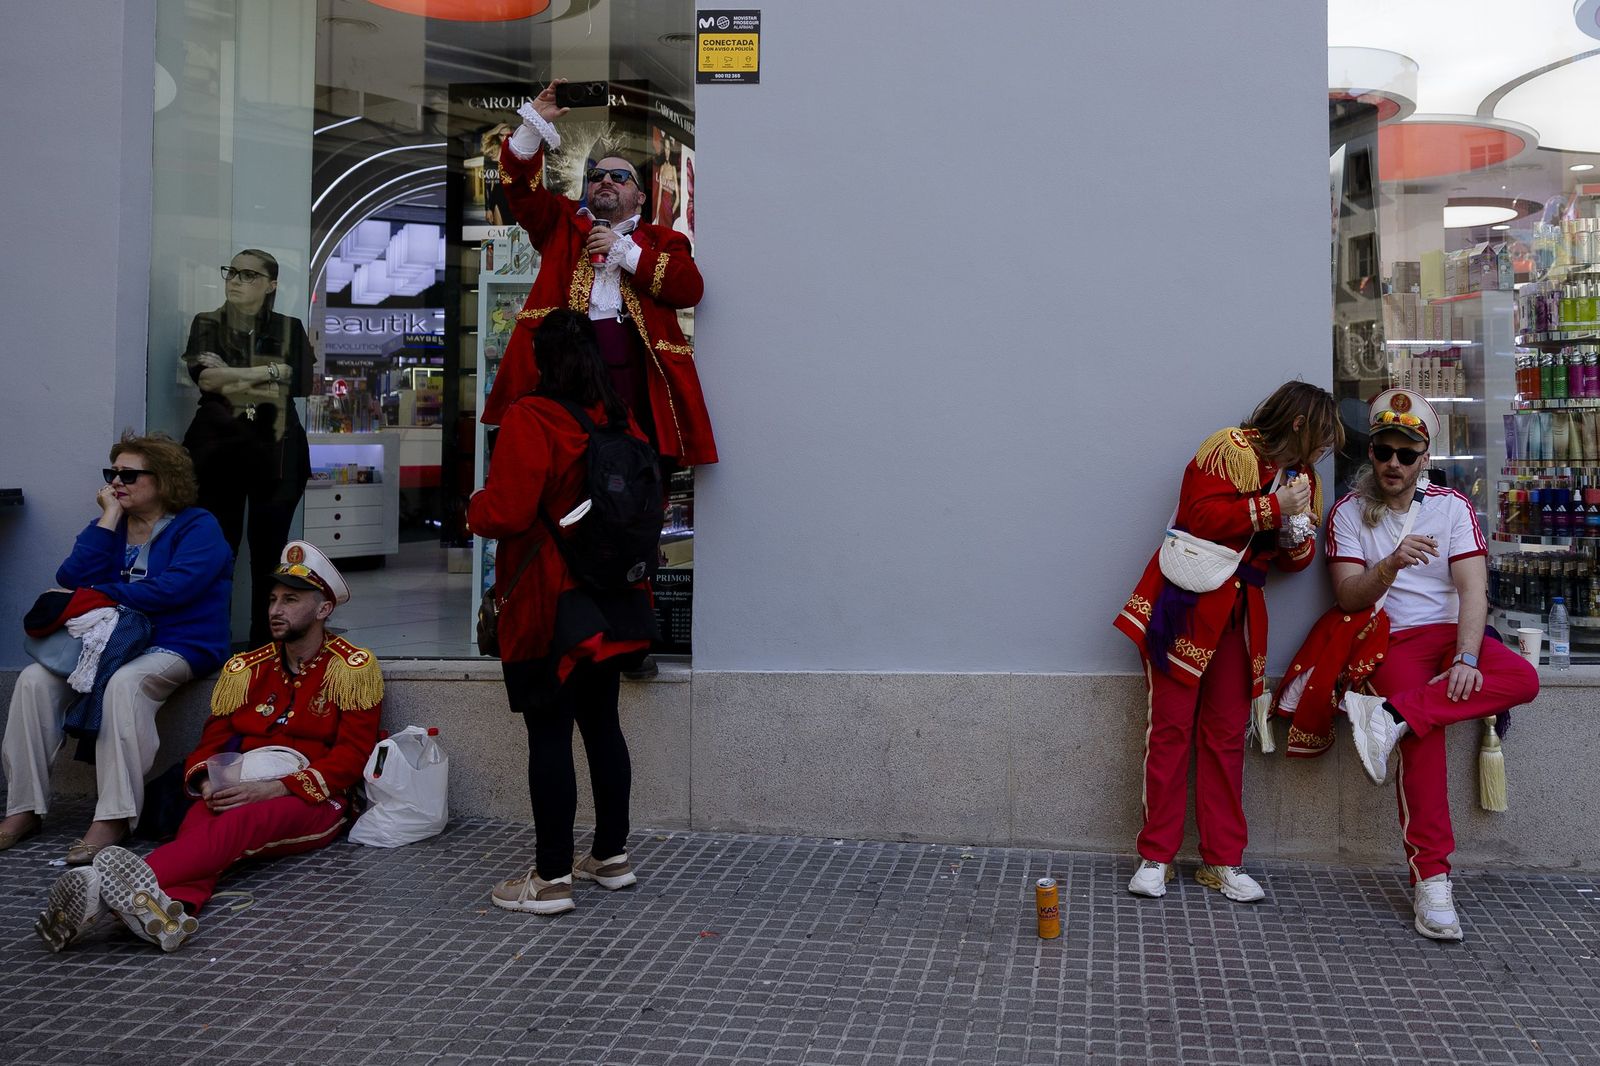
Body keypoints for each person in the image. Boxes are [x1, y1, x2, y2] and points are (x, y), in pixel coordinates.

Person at [34, 541, 383, 953]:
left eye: (290, 600)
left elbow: (352, 755)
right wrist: (207, 783)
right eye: (273, 599)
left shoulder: (352, 667)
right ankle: (169, 911)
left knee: (236, 827)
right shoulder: (246, 668)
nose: (275, 609)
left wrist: (274, 788)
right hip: (237, 780)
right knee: (202, 820)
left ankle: (98, 888)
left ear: (323, 609)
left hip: (312, 798)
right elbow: (211, 743)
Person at [1113, 382, 1341, 902]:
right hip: (1186, 608)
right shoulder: (1229, 448)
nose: (1326, 448)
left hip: (1241, 617)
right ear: (1300, 424)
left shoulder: (1304, 479)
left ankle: (1222, 860)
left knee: (1225, 737)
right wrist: (1271, 507)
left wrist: (1294, 534)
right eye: (1323, 435)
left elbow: (1295, 563)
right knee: (1169, 730)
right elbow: (1199, 516)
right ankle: (1156, 855)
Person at [1329, 389, 1538, 941]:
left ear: (1424, 458)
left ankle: (1391, 716)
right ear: (1371, 453)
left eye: (1406, 453)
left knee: (1522, 677)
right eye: (1383, 451)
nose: (1393, 463)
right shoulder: (1348, 513)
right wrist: (1390, 564)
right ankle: (1433, 880)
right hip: (1392, 640)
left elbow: (1473, 590)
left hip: (1453, 635)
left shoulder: (1452, 507)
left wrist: (1467, 656)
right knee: (1423, 742)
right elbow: (1348, 596)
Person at [468, 310, 657, 916]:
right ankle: (611, 857)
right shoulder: (620, 417)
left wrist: (473, 506)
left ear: (538, 360)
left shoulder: (533, 415)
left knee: (548, 733)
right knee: (603, 726)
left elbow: (507, 512)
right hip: (611, 601)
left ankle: (550, 877)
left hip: (549, 602)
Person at [1, 433, 233, 865]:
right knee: (34, 680)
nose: (115, 483)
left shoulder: (198, 526)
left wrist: (101, 594)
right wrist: (108, 518)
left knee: (125, 684)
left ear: (163, 479)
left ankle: (114, 816)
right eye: (112, 473)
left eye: (128, 475)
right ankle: (23, 808)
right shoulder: (112, 525)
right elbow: (72, 577)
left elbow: (174, 589)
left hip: (178, 642)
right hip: (108, 643)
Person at [482, 80, 717, 469]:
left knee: (638, 468)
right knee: (567, 467)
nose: (605, 180)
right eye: (596, 176)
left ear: (640, 197)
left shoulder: (664, 240)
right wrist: (533, 125)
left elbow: (689, 288)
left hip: (638, 378)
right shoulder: (559, 222)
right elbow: (520, 188)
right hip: (565, 374)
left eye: (620, 177)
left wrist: (625, 252)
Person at [181, 248, 314, 646]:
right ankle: (209, 648)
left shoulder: (289, 327)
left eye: (248, 275)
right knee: (216, 552)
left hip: (277, 450)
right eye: (232, 272)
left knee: (271, 555)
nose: (236, 281)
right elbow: (207, 380)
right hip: (217, 450)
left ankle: (266, 652)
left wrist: (231, 375)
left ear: (271, 285)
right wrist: (271, 371)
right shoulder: (207, 323)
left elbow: (302, 382)